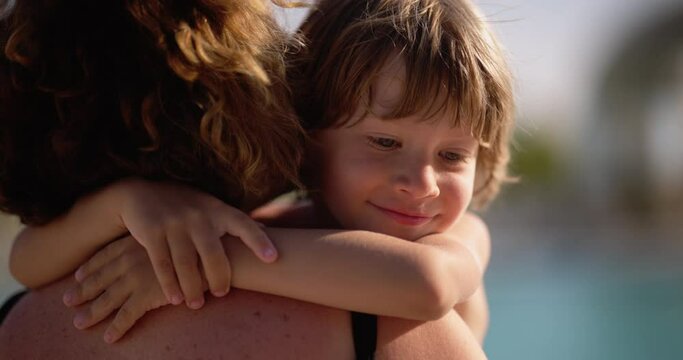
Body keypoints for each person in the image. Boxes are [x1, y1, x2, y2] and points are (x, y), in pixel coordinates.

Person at [0, 0, 513, 359]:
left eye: (453, 155)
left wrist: (204, 262)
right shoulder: (267, 225)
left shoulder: (458, 237)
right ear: (307, 138)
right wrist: (125, 203)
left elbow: (425, 283)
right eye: (384, 143)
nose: (422, 183)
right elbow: (27, 260)